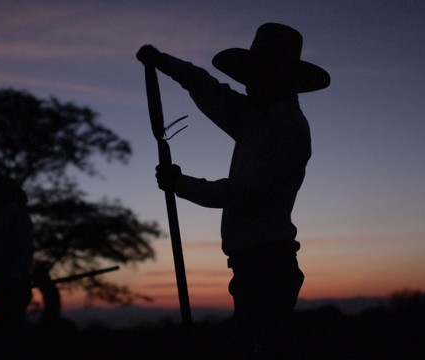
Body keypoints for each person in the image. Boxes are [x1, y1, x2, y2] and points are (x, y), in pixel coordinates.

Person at [137, 23, 330, 359]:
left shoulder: (287, 131)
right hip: (254, 265)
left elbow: (242, 194)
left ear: (279, 78)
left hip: (268, 268)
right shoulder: (256, 117)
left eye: (258, 74)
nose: (249, 83)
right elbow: (207, 88)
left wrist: (179, 184)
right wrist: (163, 62)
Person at [0, 175, 34, 359]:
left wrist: (10, 284)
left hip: (10, 291)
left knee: (2, 345)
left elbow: (21, 254)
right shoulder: (7, 217)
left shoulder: (13, 217)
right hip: (7, 289)